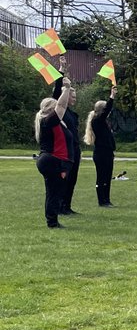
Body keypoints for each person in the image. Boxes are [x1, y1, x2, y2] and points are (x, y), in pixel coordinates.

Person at [34, 76, 73, 229]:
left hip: (52, 160)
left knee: (54, 192)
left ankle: (53, 220)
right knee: (54, 193)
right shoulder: (48, 120)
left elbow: (61, 107)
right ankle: (52, 222)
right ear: (51, 109)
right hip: (52, 160)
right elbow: (62, 106)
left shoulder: (50, 122)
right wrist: (67, 89)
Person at [52, 66, 81, 214]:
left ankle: (67, 206)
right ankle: (61, 206)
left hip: (75, 148)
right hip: (65, 149)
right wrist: (61, 71)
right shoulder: (60, 111)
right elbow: (57, 91)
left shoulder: (72, 113)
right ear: (66, 96)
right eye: (72, 96)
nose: (74, 99)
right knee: (65, 178)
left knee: (73, 179)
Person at [84, 84, 117, 207]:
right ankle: (101, 200)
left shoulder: (103, 122)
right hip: (101, 153)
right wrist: (112, 97)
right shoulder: (97, 121)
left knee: (108, 177)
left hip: (108, 152)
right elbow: (107, 110)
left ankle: (107, 199)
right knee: (101, 177)